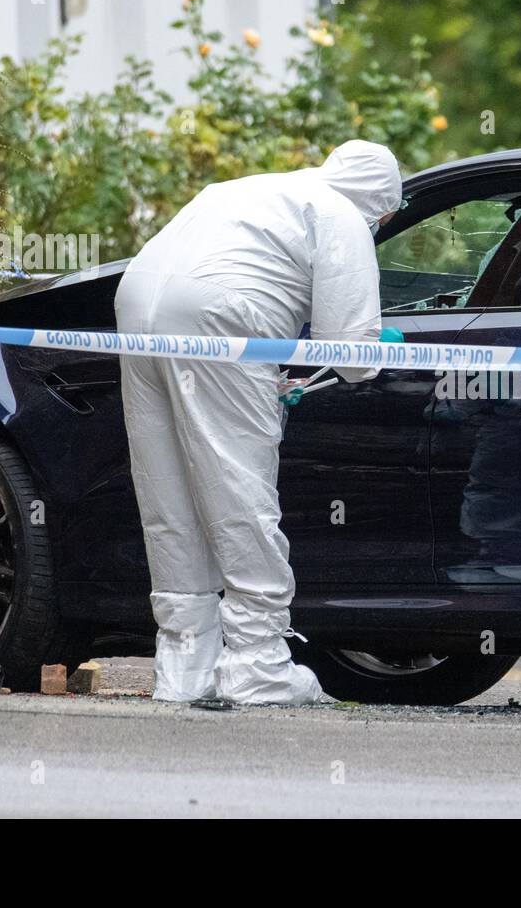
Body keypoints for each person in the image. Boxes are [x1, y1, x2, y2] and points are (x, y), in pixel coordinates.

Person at [113, 140, 402, 705]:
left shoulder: (252, 189)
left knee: (166, 492)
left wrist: (267, 379)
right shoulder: (342, 214)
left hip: (137, 304)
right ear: (382, 205)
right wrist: (381, 346)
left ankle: (183, 667)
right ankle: (257, 665)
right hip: (219, 316)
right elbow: (353, 356)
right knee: (237, 489)